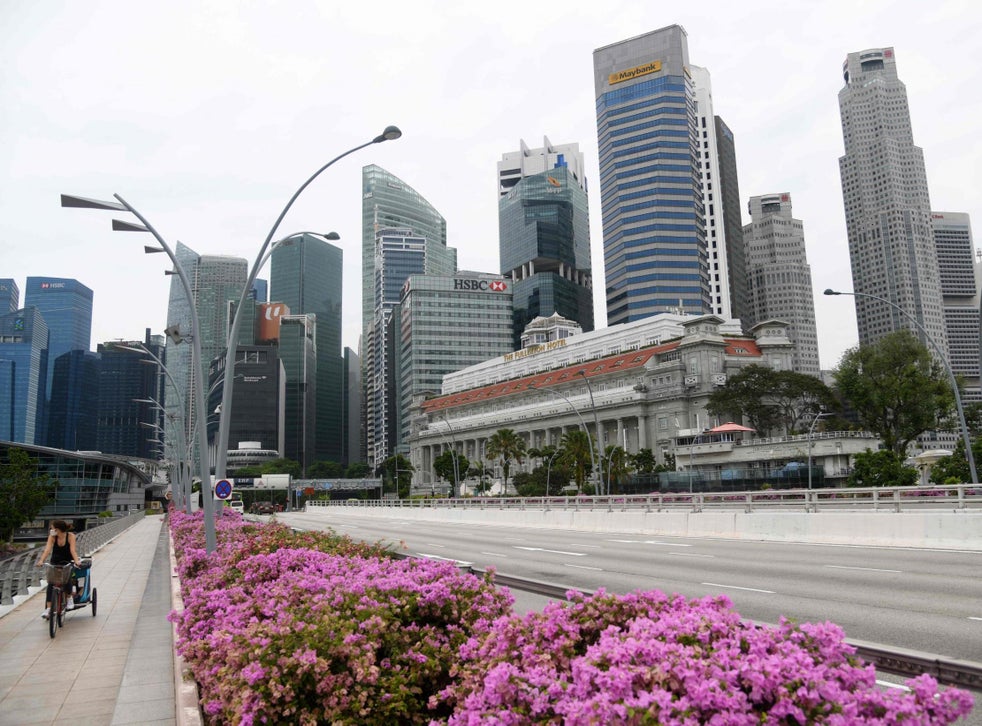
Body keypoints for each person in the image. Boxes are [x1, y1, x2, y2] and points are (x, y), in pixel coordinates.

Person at [35, 520, 81, 619]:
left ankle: (69, 599)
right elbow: (47, 550)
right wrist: (41, 560)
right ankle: (48, 609)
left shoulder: (70, 536)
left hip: (67, 561)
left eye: (52, 528)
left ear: (57, 529)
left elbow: (73, 550)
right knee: (51, 584)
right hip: (55, 562)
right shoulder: (52, 537)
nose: (51, 530)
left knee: (67, 578)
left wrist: (76, 561)